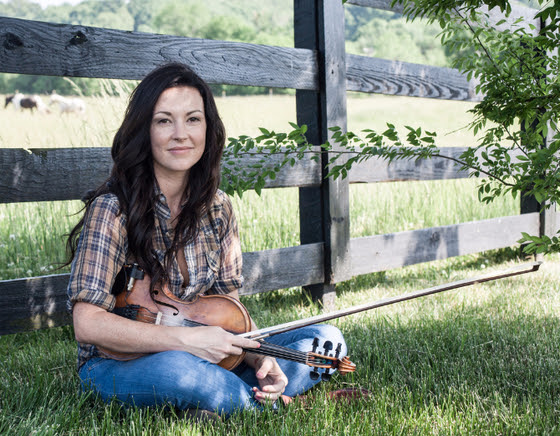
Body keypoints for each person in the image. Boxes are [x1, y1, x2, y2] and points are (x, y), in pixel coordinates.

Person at [65, 62, 347, 417]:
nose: (180, 134)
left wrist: (260, 357)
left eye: (193, 119)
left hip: (209, 357)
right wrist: (187, 341)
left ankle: (227, 398)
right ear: (144, 130)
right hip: (118, 364)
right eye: (164, 120)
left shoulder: (218, 208)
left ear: (207, 128)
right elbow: (87, 323)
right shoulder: (112, 209)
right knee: (182, 372)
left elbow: (230, 312)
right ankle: (269, 404)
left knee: (328, 341)